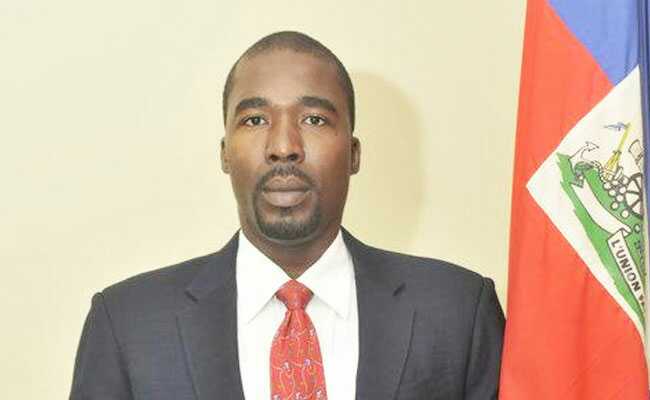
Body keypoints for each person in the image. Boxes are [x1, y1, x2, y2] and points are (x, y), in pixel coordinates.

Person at [69, 31, 505, 400]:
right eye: (254, 120)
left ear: (353, 153)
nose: (283, 146)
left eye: (314, 119)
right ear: (224, 153)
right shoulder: (128, 324)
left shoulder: (458, 311)